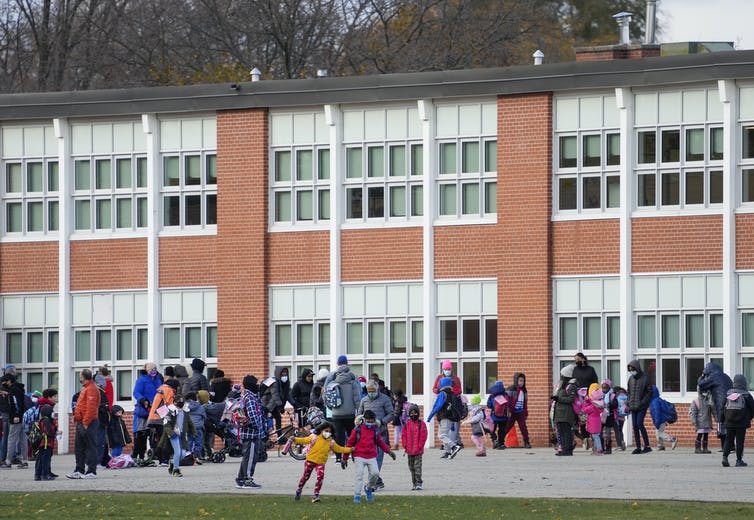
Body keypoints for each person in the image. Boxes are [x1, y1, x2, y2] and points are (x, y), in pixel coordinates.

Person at [291, 421, 352, 502]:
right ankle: (299, 489)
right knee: (305, 477)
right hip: (310, 460)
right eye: (326, 431)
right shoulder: (314, 437)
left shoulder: (331, 441)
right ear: (321, 430)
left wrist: (350, 450)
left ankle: (316, 495)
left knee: (320, 476)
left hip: (320, 462)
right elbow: (304, 440)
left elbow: (339, 449)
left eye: (330, 431)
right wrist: (294, 439)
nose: (328, 433)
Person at [344, 410, 396, 504]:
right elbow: (349, 443)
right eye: (367, 421)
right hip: (359, 455)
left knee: (375, 474)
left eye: (371, 421)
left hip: (371, 456)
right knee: (359, 475)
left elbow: (380, 442)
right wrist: (345, 458)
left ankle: (368, 488)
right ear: (363, 420)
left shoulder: (375, 430)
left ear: (374, 420)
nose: (369, 423)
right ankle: (357, 495)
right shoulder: (357, 430)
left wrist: (389, 451)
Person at [324, 356, 361, 463]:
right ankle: (354, 456)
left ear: (337, 364)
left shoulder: (332, 376)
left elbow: (325, 395)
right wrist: (359, 411)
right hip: (350, 413)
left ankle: (338, 458)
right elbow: (357, 397)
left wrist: (331, 407)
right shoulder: (353, 377)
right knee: (352, 436)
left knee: (338, 436)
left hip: (336, 413)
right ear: (347, 364)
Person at [358, 380, 394, 490]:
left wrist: (382, 421)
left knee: (377, 458)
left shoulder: (385, 399)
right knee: (370, 459)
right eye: (369, 391)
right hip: (367, 435)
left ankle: (371, 484)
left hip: (380, 433)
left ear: (377, 389)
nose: (371, 393)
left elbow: (391, 414)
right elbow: (359, 414)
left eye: (373, 391)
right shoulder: (364, 400)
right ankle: (377, 480)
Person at [67, 369, 101, 479]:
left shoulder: (91, 389)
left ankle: (91, 471)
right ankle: (79, 469)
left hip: (88, 422)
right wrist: (77, 418)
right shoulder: (86, 388)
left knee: (90, 447)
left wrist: (86, 422)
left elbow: (91, 408)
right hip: (82, 421)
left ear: (84, 377)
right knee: (79, 447)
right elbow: (82, 406)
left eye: (80, 376)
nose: (79, 378)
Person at [236, 375, 266, 489]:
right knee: (251, 457)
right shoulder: (250, 397)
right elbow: (253, 415)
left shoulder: (247, 396)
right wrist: (260, 429)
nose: (258, 385)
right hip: (252, 433)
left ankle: (241, 478)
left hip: (248, 432)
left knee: (247, 456)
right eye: (256, 383)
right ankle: (247, 479)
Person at [698, 362, 733, 450]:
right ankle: (730, 446)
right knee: (729, 425)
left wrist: (702, 375)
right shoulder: (726, 376)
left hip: (720, 403)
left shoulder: (714, 376)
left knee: (720, 424)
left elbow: (702, 385)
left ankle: (726, 447)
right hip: (731, 403)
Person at [721, 374, 754, 467]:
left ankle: (725, 457)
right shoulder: (746, 394)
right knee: (740, 441)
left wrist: (723, 419)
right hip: (741, 422)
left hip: (729, 421)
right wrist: (749, 418)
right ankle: (739, 461)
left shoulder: (728, 393)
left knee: (728, 439)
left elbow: (722, 407)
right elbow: (752, 408)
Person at [426, 377, 462, 459]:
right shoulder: (452, 394)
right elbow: (453, 408)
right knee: (444, 434)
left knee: (442, 435)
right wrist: (452, 425)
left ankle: (454, 447)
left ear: (442, 384)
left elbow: (438, 406)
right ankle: (448, 452)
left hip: (444, 417)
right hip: (450, 417)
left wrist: (430, 416)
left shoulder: (442, 394)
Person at [148, 378, 178, 466]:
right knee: (165, 439)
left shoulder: (161, 390)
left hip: (154, 417)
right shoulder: (168, 390)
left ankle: (161, 459)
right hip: (161, 417)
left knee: (160, 439)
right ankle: (164, 459)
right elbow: (169, 404)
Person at [1, 374, 27, 469]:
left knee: (11, 439)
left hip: (15, 418)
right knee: (23, 439)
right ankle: (24, 461)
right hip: (20, 417)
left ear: (9, 381)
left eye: (5, 382)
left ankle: (8, 461)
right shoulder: (18, 389)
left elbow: (16, 403)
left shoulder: (13, 390)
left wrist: (16, 415)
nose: (4, 385)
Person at [626, 360, 653, 454]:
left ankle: (647, 445)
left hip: (642, 406)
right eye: (630, 370)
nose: (631, 371)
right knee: (635, 426)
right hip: (633, 406)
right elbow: (629, 392)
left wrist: (643, 402)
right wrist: (629, 402)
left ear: (637, 368)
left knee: (639, 423)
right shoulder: (631, 379)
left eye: (633, 369)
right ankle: (638, 446)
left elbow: (649, 392)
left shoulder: (645, 378)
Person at [552, 364, 577, 456]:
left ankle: (567, 450)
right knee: (561, 432)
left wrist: (559, 399)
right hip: (559, 413)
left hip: (566, 413)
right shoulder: (562, 386)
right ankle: (563, 449)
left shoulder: (571, 386)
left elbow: (571, 399)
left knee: (566, 432)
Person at [401, 403, 428, 489]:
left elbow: (424, 436)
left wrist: (420, 446)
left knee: (417, 467)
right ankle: (414, 483)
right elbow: (404, 435)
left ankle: (419, 483)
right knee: (411, 467)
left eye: (415, 413)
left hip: (418, 450)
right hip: (409, 450)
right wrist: (404, 445)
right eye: (411, 413)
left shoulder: (421, 424)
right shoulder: (407, 424)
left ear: (418, 413)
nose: (413, 415)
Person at [261, 366, 293, 431]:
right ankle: (266, 434)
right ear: (279, 374)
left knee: (278, 418)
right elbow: (275, 394)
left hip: (274, 404)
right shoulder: (274, 382)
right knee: (267, 419)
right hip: (267, 403)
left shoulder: (286, 383)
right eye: (283, 373)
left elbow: (287, 395)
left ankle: (279, 435)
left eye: (286, 373)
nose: (285, 375)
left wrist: (294, 403)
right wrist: (280, 405)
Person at [505, 373, 530, 449]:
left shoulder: (524, 391)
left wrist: (525, 412)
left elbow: (525, 402)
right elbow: (507, 400)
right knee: (507, 427)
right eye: (520, 380)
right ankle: (500, 441)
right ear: (516, 380)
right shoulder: (511, 389)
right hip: (512, 412)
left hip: (520, 412)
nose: (521, 382)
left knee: (523, 427)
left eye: (523, 381)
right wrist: (508, 411)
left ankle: (526, 442)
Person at [32, 404, 58, 481]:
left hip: (41, 444)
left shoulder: (42, 420)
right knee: (45, 460)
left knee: (40, 460)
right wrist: (56, 432)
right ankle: (45, 475)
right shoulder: (47, 421)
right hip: (46, 443)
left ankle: (37, 475)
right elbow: (49, 432)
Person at [649, 385, 678, 451]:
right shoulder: (657, 400)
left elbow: (657, 412)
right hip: (661, 419)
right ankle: (660, 446)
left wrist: (657, 421)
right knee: (658, 433)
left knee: (659, 433)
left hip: (660, 420)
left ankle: (672, 439)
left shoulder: (655, 401)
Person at [581, 383, 605, 455]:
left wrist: (584, 403)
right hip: (597, 422)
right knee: (596, 436)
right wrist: (588, 401)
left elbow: (585, 410)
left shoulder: (592, 407)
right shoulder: (599, 404)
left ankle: (599, 449)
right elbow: (592, 402)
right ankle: (596, 449)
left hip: (592, 423)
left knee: (595, 436)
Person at [690, 387, 714, 454]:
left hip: (707, 420)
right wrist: (694, 421)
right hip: (700, 422)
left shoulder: (708, 400)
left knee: (706, 435)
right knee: (699, 435)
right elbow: (693, 412)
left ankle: (705, 448)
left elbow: (713, 410)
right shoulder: (696, 401)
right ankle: (697, 448)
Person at [184, 391, 206, 462]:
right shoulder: (200, 406)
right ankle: (196, 455)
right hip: (198, 427)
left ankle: (189, 455)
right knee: (198, 442)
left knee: (189, 440)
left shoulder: (186, 406)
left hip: (189, 426)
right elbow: (204, 416)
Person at [487, 380, 509, 450]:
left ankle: (494, 440)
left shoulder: (492, 395)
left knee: (491, 429)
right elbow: (509, 405)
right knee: (501, 430)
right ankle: (501, 443)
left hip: (494, 416)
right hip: (504, 417)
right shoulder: (506, 395)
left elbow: (489, 405)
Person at [600, 379, 617, 454]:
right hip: (600, 416)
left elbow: (615, 405)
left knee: (608, 432)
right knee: (599, 432)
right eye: (603, 386)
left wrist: (609, 404)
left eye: (606, 386)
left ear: (609, 387)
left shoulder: (612, 395)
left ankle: (608, 448)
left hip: (609, 416)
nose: (604, 388)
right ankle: (601, 447)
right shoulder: (599, 394)